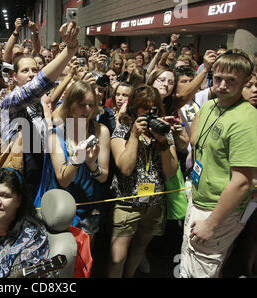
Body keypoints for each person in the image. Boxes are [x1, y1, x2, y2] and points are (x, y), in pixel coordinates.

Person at [180, 49, 257, 278]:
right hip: (198, 199)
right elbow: (196, 139)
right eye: (218, 78)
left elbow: (242, 183)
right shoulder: (210, 106)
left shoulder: (246, 119)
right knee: (188, 263)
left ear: (245, 81)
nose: (222, 85)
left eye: (231, 80)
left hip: (217, 211)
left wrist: (212, 224)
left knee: (201, 271)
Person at [0, 21, 81, 198]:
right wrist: (69, 50)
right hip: (13, 180)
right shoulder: (9, 102)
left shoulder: (39, 103)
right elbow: (36, 87)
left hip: (37, 176)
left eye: (35, 69)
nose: (31, 74)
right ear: (14, 76)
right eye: (25, 70)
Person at [107, 85, 178, 278]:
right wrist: (135, 135)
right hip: (127, 202)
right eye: (144, 108)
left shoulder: (163, 130)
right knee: (117, 256)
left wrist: (163, 142)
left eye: (153, 108)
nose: (148, 112)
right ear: (135, 108)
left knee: (140, 247)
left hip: (154, 202)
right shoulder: (123, 129)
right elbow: (125, 167)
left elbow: (171, 171)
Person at [49, 80, 110, 238]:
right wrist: (76, 160)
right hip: (63, 207)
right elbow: (63, 180)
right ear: (70, 104)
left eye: (91, 104)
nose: (87, 110)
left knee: (85, 258)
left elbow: (103, 177)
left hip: (90, 206)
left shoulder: (101, 131)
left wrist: (91, 165)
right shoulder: (57, 134)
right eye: (82, 104)